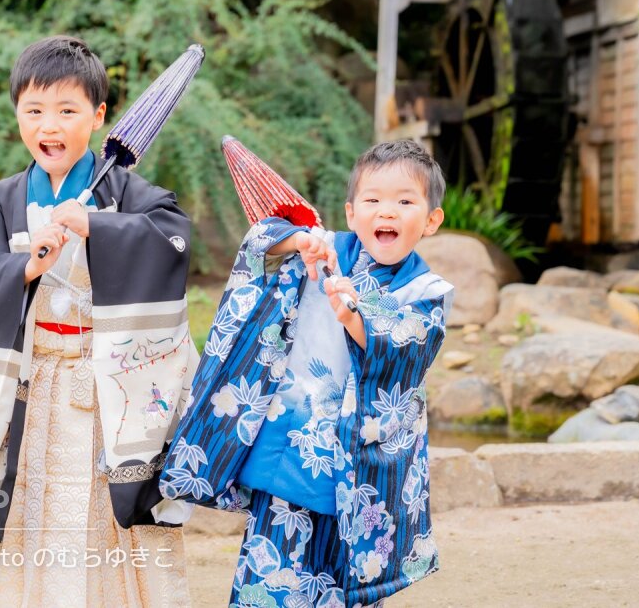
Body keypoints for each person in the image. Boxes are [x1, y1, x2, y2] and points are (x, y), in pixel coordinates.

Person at [0, 35, 195, 607]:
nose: (49, 125)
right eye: (33, 111)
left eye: (67, 110)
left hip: (108, 392)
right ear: (16, 115)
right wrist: (24, 267)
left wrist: (98, 227)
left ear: (99, 116)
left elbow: (175, 242)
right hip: (34, 391)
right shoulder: (7, 197)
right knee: (35, 516)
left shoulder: (128, 191)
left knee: (111, 524)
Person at [161, 140, 454, 607]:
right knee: (270, 576)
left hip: (362, 467)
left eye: (405, 200)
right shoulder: (327, 249)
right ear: (351, 211)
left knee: (348, 584)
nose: (387, 212)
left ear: (431, 220)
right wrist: (299, 240)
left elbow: (407, 346)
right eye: (373, 200)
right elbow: (261, 244)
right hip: (293, 446)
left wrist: (354, 309)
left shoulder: (427, 289)